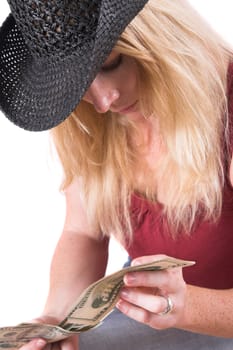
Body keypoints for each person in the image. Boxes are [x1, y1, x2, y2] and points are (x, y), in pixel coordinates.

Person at [0, 0, 233, 349]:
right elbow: (83, 233)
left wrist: (186, 306)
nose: (104, 100)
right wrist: (57, 322)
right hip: (157, 311)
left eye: (111, 62)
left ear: (157, 37)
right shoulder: (98, 123)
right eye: (79, 84)